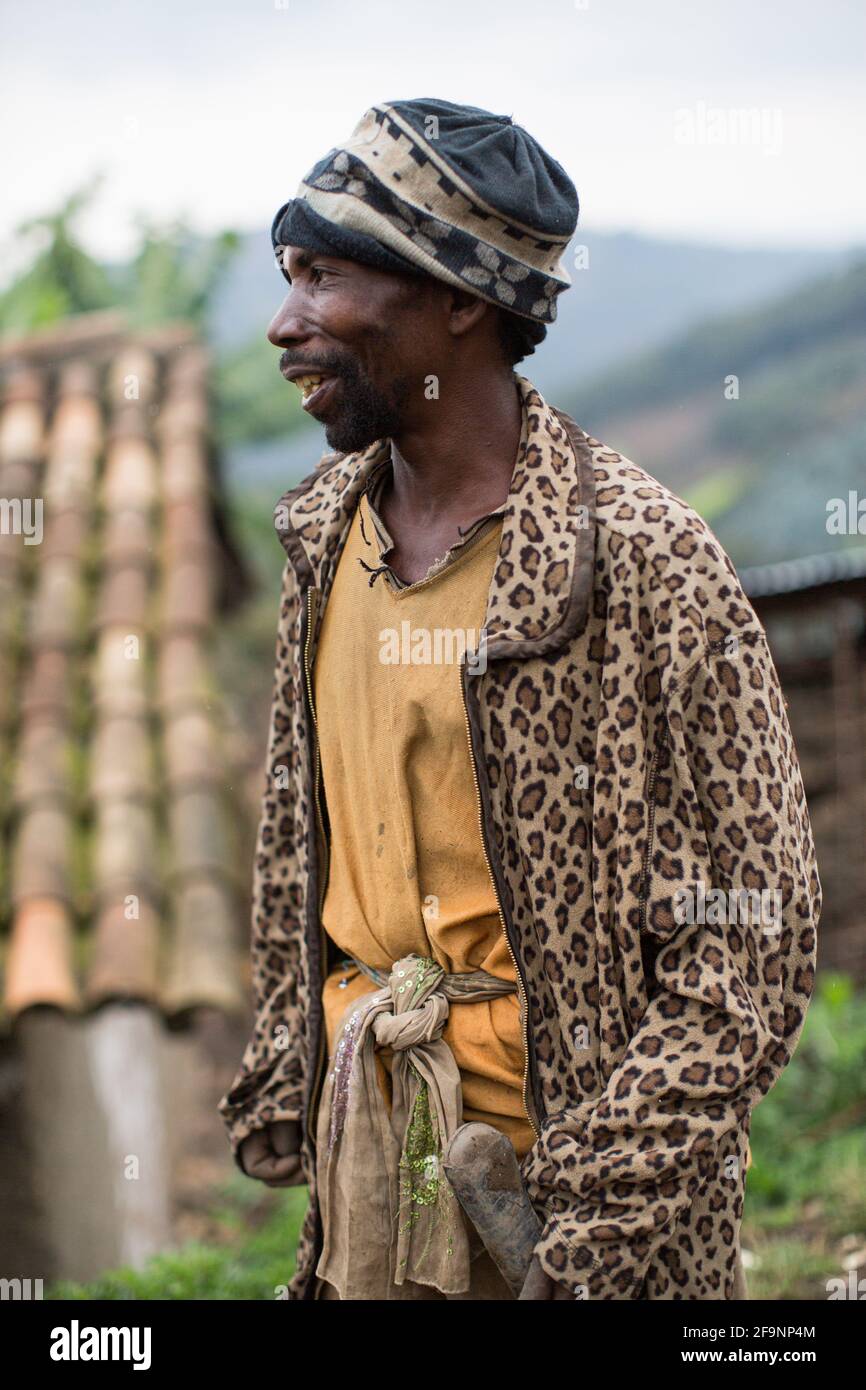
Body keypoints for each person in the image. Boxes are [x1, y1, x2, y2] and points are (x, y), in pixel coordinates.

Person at [218, 97, 820, 1301]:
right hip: (375, 1174)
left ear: (460, 300)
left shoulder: (640, 561)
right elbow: (304, 843)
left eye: (325, 277)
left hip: (569, 1206)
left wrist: (589, 1229)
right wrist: (293, 1052)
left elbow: (756, 938)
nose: (285, 323)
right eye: (287, 276)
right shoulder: (319, 541)